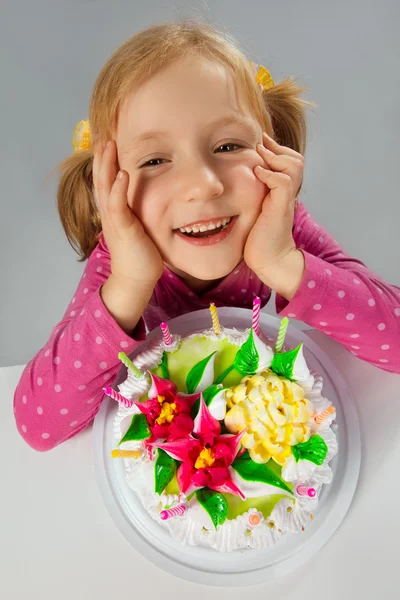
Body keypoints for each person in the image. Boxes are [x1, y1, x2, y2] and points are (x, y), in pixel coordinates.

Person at [14, 21, 400, 452]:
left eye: (228, 146)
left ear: (269, 148)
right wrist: (128, 286)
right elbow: (38, 424)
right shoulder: (120, 258)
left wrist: (283, 262)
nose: (203, 185)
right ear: (108, 186)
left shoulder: (276, 224)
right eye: (156, 159)